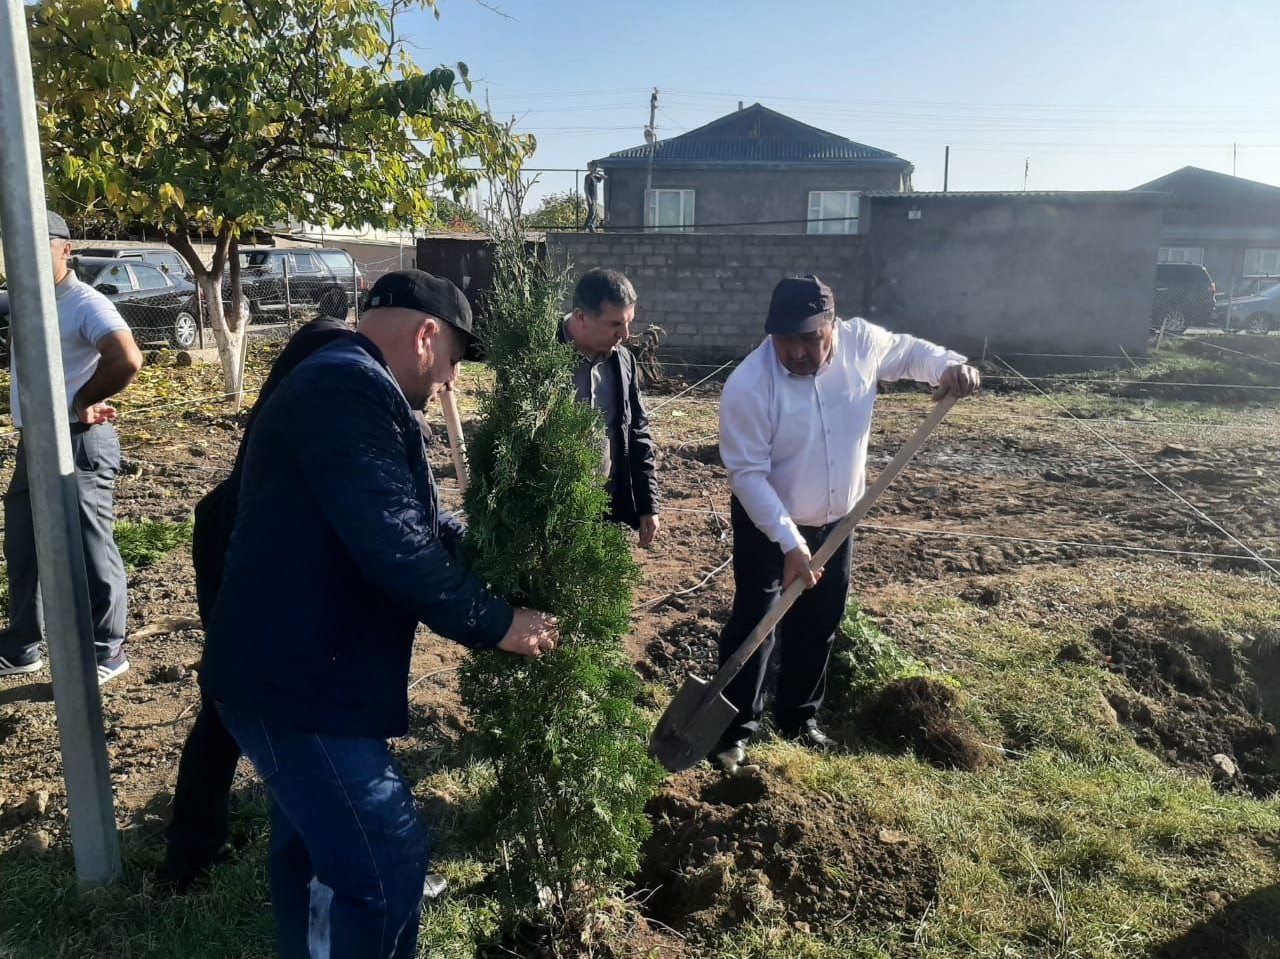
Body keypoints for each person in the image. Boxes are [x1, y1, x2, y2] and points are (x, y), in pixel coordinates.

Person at [199, 269, 559, 959]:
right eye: (452, 361)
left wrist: (492, 546)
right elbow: (395, 548)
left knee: (311, 849)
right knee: (382, 857)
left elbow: (419, 519)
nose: (449, 381)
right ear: (426, 336)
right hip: (299, 685)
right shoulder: (349, 388)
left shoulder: (347, 380)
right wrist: (498, 622)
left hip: (288, 669)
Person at [713, 275, 980, 771]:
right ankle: (731, 731)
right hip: (768, 519)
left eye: (808, 338)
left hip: (839, 519)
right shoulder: (749, 385)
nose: (794, 351)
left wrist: (950, 366)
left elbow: (910, 352)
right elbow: (748, 476)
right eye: (784, 339)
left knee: (821, 620)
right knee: (757, 621)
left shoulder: (862, 343)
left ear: (832, 326)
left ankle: (798, 719)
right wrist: (790, 544)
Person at [161, 308, 354, 891]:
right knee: (229, 701)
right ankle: (190, 855)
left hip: (236, 539)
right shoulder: (324, 393)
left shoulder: (297, 400)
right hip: (237, 552)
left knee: (232, 701)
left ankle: (196, 847)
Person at [0, 211, 142, 683]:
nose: (23, 256)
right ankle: (24, 645)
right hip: (34, 442)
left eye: (39, 246)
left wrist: (84, 399)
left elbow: (126, 358)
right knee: (23, 542)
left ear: (65, 249)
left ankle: (109, 650)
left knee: (90, 545)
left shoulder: (84, 301)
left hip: (80, 440)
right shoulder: (26, 300)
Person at [559, 268, 660, 546]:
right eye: (616, 324)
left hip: (606, 507)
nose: (625, 334)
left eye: (629, 322)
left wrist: (647, 504)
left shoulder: (624, 361)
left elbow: (637, 431)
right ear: (581, 317)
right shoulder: (540, 355)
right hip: (551, 511)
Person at [582, 160, 606, 233]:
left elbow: (604, 178)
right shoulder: (588, 177)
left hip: (595, 197)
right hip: (591, 197)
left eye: (596, 167)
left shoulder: (595, 177)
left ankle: (591, 227)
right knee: (591, 212)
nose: (595, 169)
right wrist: (588, 197)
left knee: (595, 213)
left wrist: (598, 173)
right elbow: (585, 187)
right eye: (594, 167)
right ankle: (585, 227)